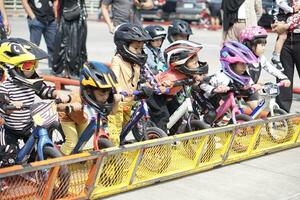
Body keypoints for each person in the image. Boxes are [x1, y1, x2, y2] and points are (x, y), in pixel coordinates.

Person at [0, 38, 70, 148]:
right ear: (14, 68)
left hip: (29, 126)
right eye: (28, 66)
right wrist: (11, 105)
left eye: (34, 65)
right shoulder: (6, 86)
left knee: (36, 151)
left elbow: (45, 91)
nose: (32, 70)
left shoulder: (32, 83)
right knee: (8, 157)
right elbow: (2, 105)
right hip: (10, 130)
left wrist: (57, 93)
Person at [147, 40, 208, 133]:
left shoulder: (185, 72)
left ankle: (172, 137)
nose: (198, 66)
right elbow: (162, 85)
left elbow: (196, 77)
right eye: (195, 64)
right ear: (180, 63)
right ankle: (157, 140)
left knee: (177, 119)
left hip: (170, 96)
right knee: (163, 117)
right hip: (155, 96)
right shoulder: (171, 76)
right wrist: (165, 84)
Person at [58, 61, 119, 155]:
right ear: (88, 90)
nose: (105, 97)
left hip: (82, 118)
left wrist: (117, 101)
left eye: (107, 94)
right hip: (69, 118)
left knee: (84, 139)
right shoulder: (76, 96)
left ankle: (77, 156)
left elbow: (112, 113)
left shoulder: (97, 98)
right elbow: (58, 106)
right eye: (101, 94)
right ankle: (60, 164)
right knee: (72, 143)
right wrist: (68, 105)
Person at [108, 23, 151, 146]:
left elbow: (140, 79)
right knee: (114, 132)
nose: (139, 52)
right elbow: (114, 78)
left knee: (124, 127)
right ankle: (112, 158)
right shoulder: (118, 60)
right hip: (118, 103)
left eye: (141, 49)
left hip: (129, 102)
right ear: (124, 45)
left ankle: (119, 147)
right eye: (136, 48)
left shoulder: (136, 63)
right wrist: (118, 90)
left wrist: (146, 86)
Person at [196, 41, 261, 119]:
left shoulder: (243, 75)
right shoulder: (221, 77)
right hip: (202, 96)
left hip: (217, 100)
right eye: (242, 64)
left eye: (246, 64)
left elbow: (249, 84)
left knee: (220, 115)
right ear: (232, 63)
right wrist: (214, 89)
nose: (245, 67)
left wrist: (255, 86)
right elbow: (202, 85)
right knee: (211, 115)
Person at [272, 16, 300, 112]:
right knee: (283, 76)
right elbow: (276, 13)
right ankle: (282, 112)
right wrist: (275, 23)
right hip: (284, 39)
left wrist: (286, 25)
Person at [52, 0, 88, 77]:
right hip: (72, 20)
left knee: (69, 46)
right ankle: (69, 72)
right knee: (68, 47)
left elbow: (59, 6)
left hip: (73, 20)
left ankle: (69, 72)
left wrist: (58, 18)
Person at [22, 0, 58, 70]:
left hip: (51, 20)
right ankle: (31, 69)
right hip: (37, 20)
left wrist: (55, 16)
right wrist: (32, 17)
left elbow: (55, 1)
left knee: (53, 45)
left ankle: (53, 69)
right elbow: (24, 1)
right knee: (33, 47)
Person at [271, 0, 300, 70]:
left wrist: (287, 26)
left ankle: (276, 56)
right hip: (286, 40)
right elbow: (278, 4)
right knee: (284, 78)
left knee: (283, 35)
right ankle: (276, 56)